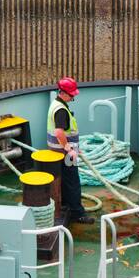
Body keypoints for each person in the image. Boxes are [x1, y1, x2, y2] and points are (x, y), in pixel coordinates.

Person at [48, 76, 92, 226]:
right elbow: (59, 133)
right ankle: (77, 213)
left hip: (57, 152)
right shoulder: (61, 110)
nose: (73, 97)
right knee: (73, 181)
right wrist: (70, 149)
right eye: (72, 94)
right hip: (65, 153)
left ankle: (66, 204)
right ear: (63, 93)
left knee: (66, 181)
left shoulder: (55, 104)